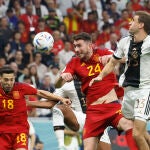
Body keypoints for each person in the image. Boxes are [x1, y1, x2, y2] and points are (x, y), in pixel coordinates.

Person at [59, 32, 138, 150]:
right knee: (88, 148)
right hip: (93, 112)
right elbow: (58, 83)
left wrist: (113, 59)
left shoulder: (103, 52)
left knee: (129, 125)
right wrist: (63, 77)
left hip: (112, 107)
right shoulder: (74, 62)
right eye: (74, 46)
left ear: (89, 45)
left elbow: (126, 58)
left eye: (79, 45)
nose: (76, 49)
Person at [90, 11, 150, 150]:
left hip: (144, 91)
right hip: (128, 91)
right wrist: (100, 76)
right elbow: (112, 62)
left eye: (133, 20)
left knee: (137, 134)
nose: (129, 23)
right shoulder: (125, 41)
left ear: (141, 25)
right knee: (136, 130)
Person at [0, 65, 71, 150]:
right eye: (6, 80)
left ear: (15, 78)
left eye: (11, 79)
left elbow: (41, 94)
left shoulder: (21, 88)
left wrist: (61, 98)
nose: (9, 83)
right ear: (0, 78)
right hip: (2, 133)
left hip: (20, 131)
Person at [27, 80, 112, 150]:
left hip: (97, 122)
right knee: (58, 108)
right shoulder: (67, 86)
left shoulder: (98, 79)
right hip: (79, 120)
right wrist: (27, 103)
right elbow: (50, 104)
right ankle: (61, 144)